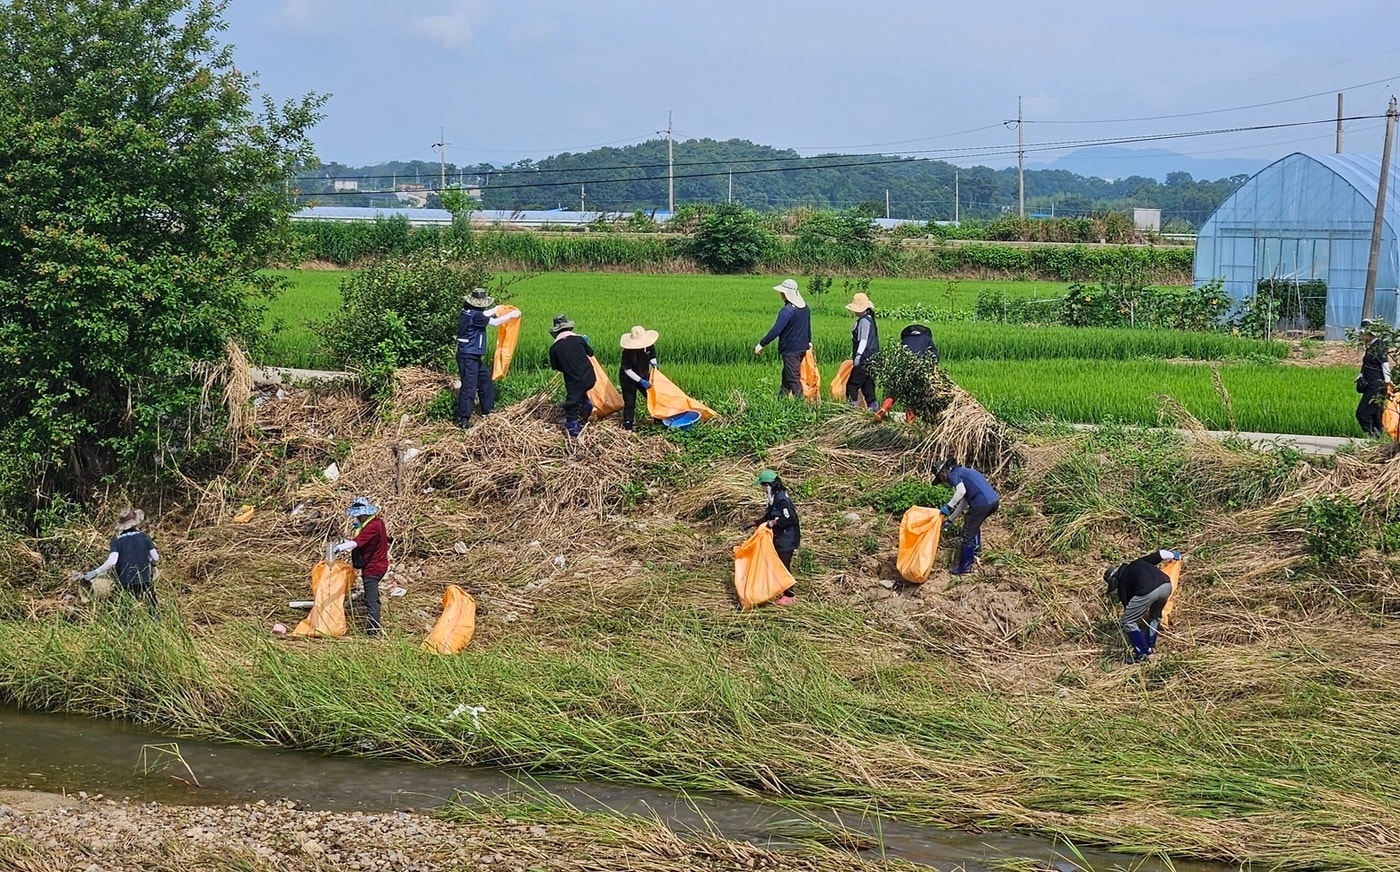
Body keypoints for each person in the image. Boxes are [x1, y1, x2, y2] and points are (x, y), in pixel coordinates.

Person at [455, 287, 521, 428]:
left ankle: (488, 410)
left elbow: (483, 314)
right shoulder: (476, 316)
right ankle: (463, 419)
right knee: (469, 387)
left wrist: (496, 309)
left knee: (485, 380)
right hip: (468, 356)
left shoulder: (467, 311)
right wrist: (512, 315)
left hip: (471, 355)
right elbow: (494, 322)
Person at [1105, 549, 1182, 663]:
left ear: (1114, 580)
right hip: (1166, 585)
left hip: (1148, 590)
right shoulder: (1139, 562)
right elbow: (1160, 554)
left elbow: (1130, 614)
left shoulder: (1122, 582)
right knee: (1155, 616)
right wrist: (1175, 555)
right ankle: (1150, 647)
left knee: (1127, 621)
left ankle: (1142, 654)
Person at [79, 508, 160, 615]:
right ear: (136, 523)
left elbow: (112, 562)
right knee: (152, 607)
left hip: (126, 581)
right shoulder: (144, 537)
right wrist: (150, 563)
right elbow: (155, 558)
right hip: (144, 579)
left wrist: (94, 573)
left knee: (126, 611)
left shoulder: (116, 541)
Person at [332, 496, 391, 637]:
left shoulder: (372, 527)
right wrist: (359, 529)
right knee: (372, 598)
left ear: (364, 513)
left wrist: (340, 547)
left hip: (373, 568)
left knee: (371, 600)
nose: (357, 518)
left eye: (359, 516)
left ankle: (373, 632)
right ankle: (373, 629)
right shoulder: (378, 522)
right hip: (379, 565)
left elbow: (357, 542)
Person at [935, 459, 999, 576]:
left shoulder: (953, 474)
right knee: (973, 525)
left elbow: (960, 492)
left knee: (967, 533)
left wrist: (948, 506)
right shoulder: (965, 472)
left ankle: (965, 566)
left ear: (943, 472)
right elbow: (964, 501)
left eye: (941, 478)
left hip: (981, 503)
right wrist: (950, 519)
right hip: (993, 502)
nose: (943, 482)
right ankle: (976, 553)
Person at [747, 469, 801, 605]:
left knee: (783, 566)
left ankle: (789, 595)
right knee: (776, 564)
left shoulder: (782, 499)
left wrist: (774, 523)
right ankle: (779, 590)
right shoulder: (774, 497)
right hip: (779, 537)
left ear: (767, 485)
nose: (761, 488)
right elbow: (770, 515)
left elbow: (790, 518)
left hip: (787, 539)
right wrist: (756, 522)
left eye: (762, 485)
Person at [755, 279, 812, 398]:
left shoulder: (787, 311)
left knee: (792, 377)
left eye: (782, 292)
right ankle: (781, 400)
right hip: (802, 348)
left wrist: (761, 344)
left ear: (787, 293)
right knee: (787, 376)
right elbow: (807, 326)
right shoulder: (805, 308)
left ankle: (800, 404)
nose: (780, 294)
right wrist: (809, 341)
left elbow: (776, 330)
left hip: (791, 350)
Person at [875, 324, 939, 424]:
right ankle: (910, 423)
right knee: (912, 397)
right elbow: (934, 358)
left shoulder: (905, 341)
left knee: (894, 392)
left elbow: (897, 358)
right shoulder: (927, 340)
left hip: (902, 371)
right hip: (918, 370)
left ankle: (884, 408)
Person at [548, 313, 597, 439]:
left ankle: (573, 430)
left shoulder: (554, 348)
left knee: (571, 405)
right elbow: (590, 353)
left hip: (574, 381)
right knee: (581, 393)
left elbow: (557, 367)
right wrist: (584, 343)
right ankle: (588, 408)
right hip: (590, 377)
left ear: (556, 332)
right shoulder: (579, 339)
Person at [1356, 319, 1393, 438]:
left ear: (1369, 334)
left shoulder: (1379, 345)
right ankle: (1378, 438)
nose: (1361, 337)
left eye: (1363, 334)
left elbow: (1385, 364)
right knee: (1376, 414)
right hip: (1371, 384)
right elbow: (1369, 364)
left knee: (1363, 414)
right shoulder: (1372, 346)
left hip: (1376, 386)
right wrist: (1361, 375)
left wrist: (1387, 382)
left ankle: (1373, 436)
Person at [618, 325, 659, 432]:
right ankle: (628, 425)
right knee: (630, 402)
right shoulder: (628, 352)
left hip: (643, 374)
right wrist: (640, 381)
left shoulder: (649, 346)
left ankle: (658, 418)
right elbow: (627, 370)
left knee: (651, 397)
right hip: (628, 380)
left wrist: (654, 364)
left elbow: (652, 356)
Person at [845, 292, 880, 410]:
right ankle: (874, 409)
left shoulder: (864, 321)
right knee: (867, 386)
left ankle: (852, 409)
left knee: (852, 385)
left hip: (864, 359)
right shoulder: (869, 319)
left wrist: (858, 355)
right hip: (872, 359)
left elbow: (863, 340)